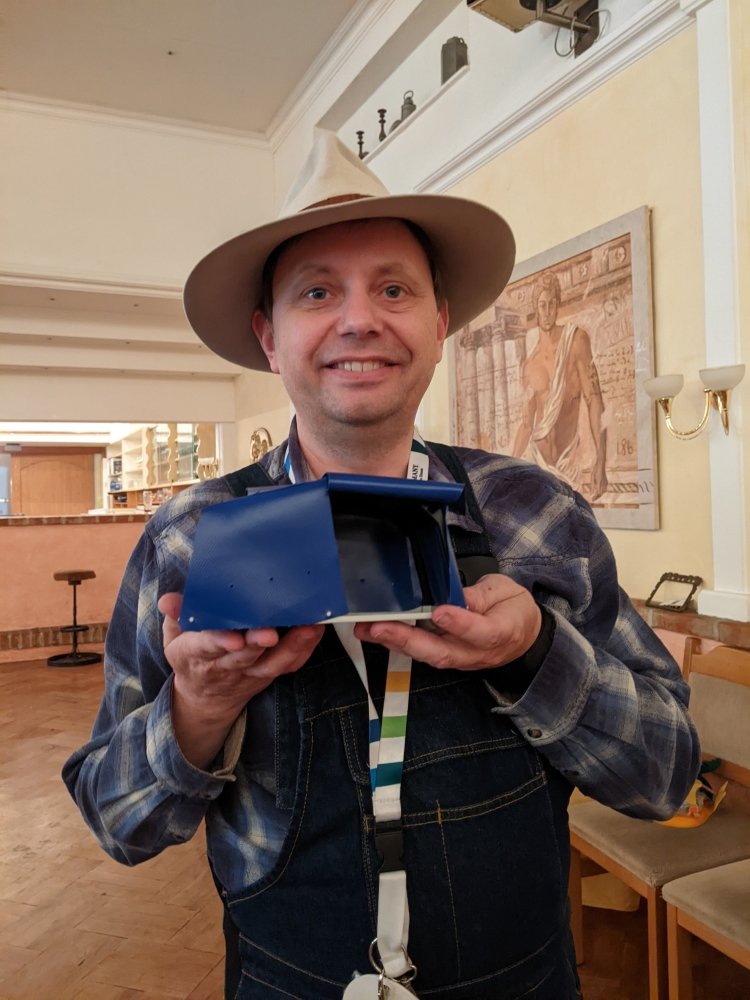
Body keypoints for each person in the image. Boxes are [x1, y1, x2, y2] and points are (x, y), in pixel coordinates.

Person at [63, 130, 699, 1000]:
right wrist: (198, 710)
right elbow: (116, 821)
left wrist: (536, 653)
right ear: (269, 338)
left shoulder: (537, 511)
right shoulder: (188, 538)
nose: (360, 319)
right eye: (317, 291)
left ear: (437, 327)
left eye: (393, 289)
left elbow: (667, 776)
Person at [512, 270, 608, 501]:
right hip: (537, 461)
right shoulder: (529, 365)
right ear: (536, 308)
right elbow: (526, 424)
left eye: (552, 304)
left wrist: (601, 459)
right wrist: (507, 470)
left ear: (558, 305)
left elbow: (594, 400)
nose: (547, 312)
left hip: (567, 463)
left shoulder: (575, 341)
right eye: (542, 305)